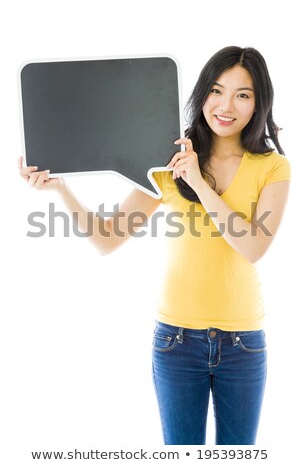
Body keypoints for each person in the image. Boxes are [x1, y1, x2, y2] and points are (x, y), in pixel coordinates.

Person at [18, 46, 291, 445]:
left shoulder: (272, 167)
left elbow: (253, 246)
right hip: (175, 342)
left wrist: (198, 181)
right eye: (217, 90)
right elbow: (107, 239)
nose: (226, 105)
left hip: (243, 343)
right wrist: (62, 191)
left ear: (259, 102)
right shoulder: (168, 162)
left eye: (243, 94)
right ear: (202, 94)